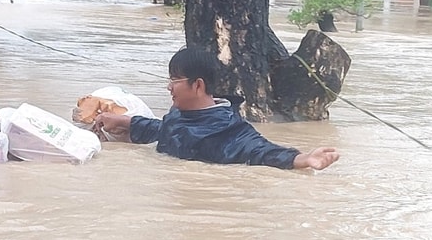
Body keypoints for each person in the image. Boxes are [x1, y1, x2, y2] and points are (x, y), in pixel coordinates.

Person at [93, 47, 340, 170]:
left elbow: (262, 151)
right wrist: (124, 121)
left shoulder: (231, 131)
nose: (169, 87)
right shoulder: (179, 115)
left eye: (174, 81)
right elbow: (164, 130)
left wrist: (302, 159)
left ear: (197, 85)